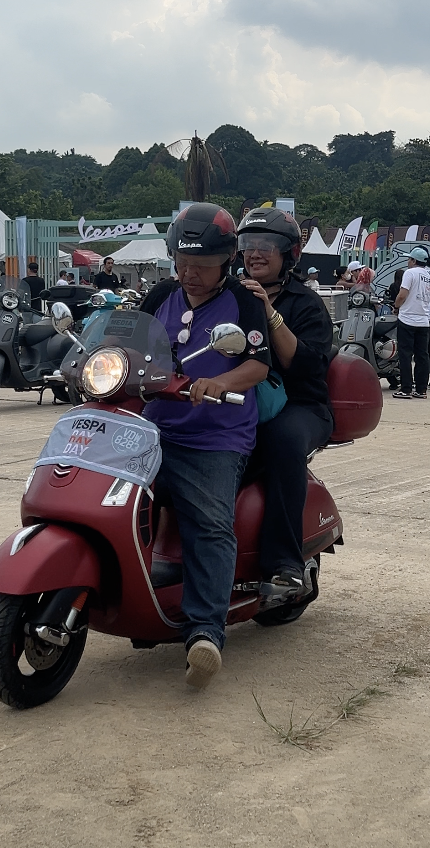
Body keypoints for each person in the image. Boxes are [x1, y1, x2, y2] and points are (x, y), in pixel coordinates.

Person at [141, 204, 270, 689]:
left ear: (226, 261)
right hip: (153, 428)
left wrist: (220, 382)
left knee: (211, 524)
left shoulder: (242, 299)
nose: (189, 274)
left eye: (201, 265)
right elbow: (129, 341)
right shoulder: (160, 294)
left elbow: (257, 364)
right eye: (182, 263)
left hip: (215, 436)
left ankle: (205, 632)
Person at [237, 208, 334, 598]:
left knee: (282, 439)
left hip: (300, 404)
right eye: (248, 245)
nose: (255, 253)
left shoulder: (306, 303)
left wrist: (269, 313)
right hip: (237, 397)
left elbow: (305, 365)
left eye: (266, 245)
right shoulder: (227, 295)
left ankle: (283, 564)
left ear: (288, 253)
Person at [393, 247, 430, 398]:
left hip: (407, 318)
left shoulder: (410, 273)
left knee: (405, 355)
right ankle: (421, 389)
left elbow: (402, 295)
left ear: (414, 260)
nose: (408, 261)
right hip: (424, 320)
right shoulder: (429, 275)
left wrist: (396, 306)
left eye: (409, 259)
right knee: (422, 356)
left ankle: (406, 388)